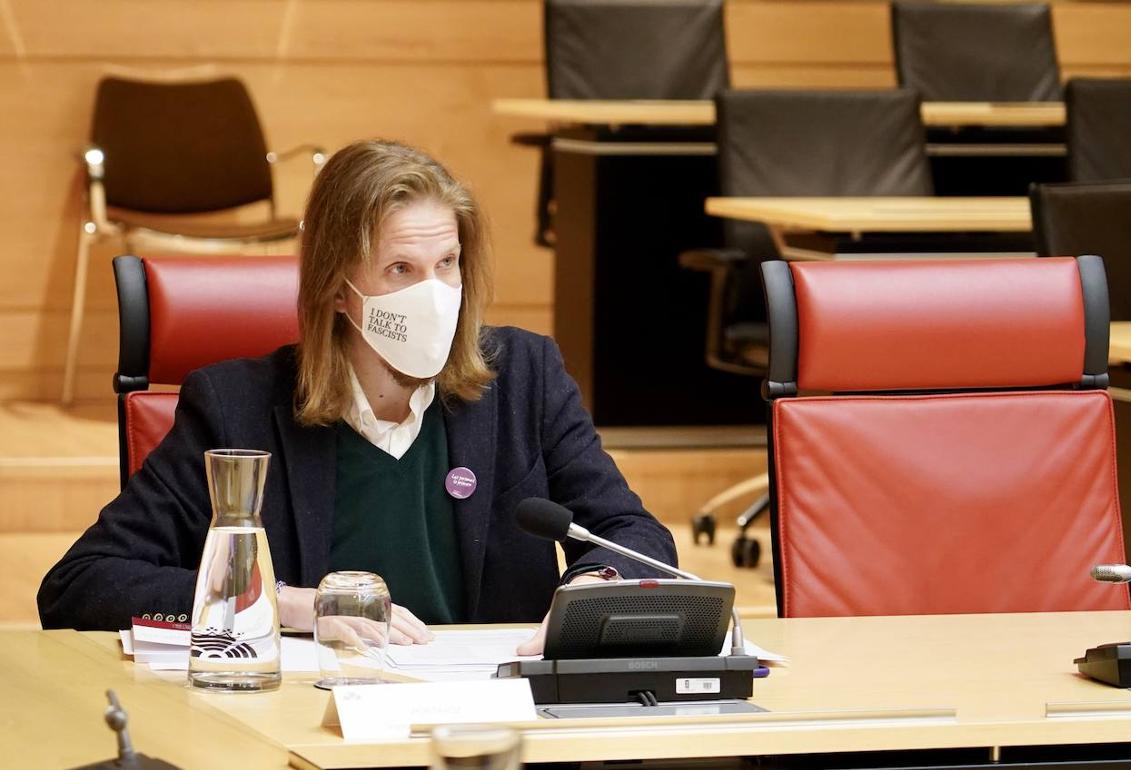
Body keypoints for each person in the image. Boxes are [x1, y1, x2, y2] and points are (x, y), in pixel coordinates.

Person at [37, 139, 678, 654]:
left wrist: (592, 590)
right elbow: (81, 583)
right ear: (338, 289)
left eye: (447, 264)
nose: (434, 293)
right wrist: (287, 605)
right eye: (401, 270)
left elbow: (633, 535)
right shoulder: (237, 406)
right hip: (316, 727)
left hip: (494, 725)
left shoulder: (524, 377)